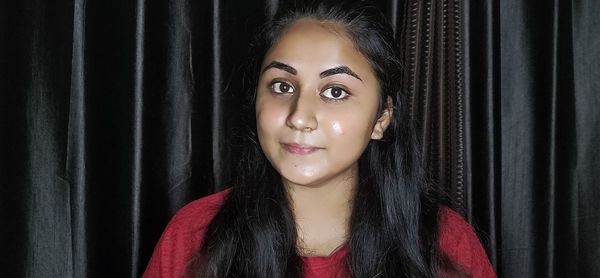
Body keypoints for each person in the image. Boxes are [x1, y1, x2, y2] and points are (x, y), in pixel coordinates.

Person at [143, 0, 496, 277]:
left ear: (381, 118)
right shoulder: (194, 235)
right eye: (282, 86)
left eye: (336, 92)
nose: (299, 116)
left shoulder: (444, 244)